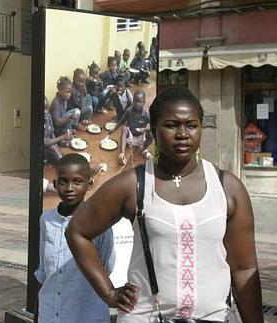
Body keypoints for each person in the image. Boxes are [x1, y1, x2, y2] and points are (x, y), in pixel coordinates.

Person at [65, 87, 264, 323]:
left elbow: (244, 270)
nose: (182, 134)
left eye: (191, 125)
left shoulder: (227, 187)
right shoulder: (134, 184)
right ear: (154, 131)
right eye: (171, 125)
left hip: (214, 317)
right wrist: (109, 292)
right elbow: (77, 231)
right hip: (145, 317)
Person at [34, 153, 115, 323]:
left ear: (89, 184)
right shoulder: (46, 220)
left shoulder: (100, 224)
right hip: (50, 314)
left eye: (77, 182)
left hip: (87, 314)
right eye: (63, 181)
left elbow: (105, 267)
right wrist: (38, 312)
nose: (70, 187)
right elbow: (43, 272)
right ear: (55, 184)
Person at [110, 90, 153, 165]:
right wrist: (114, 129)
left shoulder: (146, 114)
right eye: (135, 101)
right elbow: (121, 121)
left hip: (140, 137)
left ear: (144, 103)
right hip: (130, 137)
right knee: (124, 129)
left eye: (140, 101)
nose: (137, 104)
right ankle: (122, 154)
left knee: (151, 134)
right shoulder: (129, 111)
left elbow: (152, 125)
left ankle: (144, 150)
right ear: (133, 101)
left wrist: (146, 129)